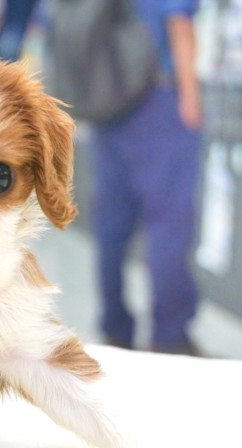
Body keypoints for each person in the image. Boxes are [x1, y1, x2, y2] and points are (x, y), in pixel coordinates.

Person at [90, 0, 203, 354]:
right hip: (159, 100)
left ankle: (115, 329)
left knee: (111, 226)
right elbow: (179, 25)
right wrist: (191, 98)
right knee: (168, 224)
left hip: (107, 104)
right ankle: (170, 337)